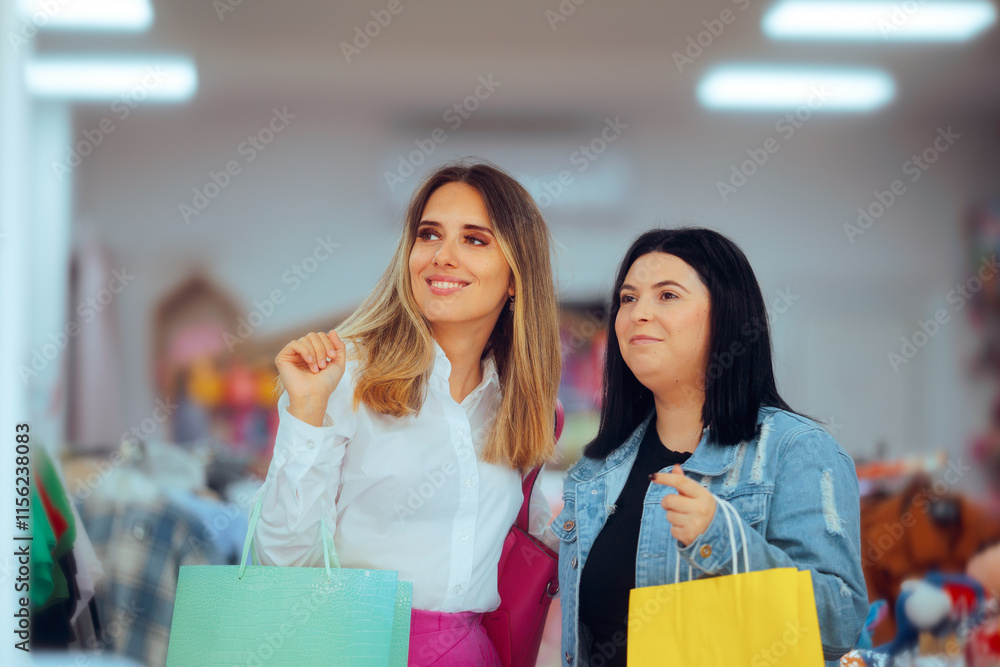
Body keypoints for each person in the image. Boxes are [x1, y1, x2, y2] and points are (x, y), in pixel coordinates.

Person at [252, 161, 561, 665]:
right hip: (354, 650)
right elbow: (282, 562)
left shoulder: (522, 408)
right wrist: (307, 410)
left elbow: (541, 538)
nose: (442, 256)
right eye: (429, 234)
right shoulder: (346, 375)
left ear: (516, 276)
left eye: (474, 239)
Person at [552, 228, 867, 667]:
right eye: (628, 298)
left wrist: (725, 541)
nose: (639, 313)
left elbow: (839, 622)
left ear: (726, 317)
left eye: (667, 295)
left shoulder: (797, 451)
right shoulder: (597, 469)